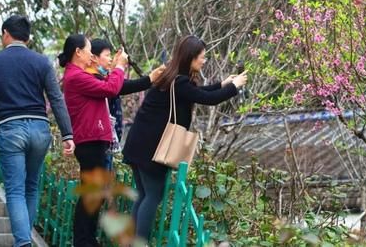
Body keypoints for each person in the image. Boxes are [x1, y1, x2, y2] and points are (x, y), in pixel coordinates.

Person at [122, 35, 248, 241]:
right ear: (190, 58)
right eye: (202, 57)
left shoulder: (171, 77)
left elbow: (196, 93)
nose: (204, 60)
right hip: (152, 148)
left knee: (144, 195)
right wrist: (234, 87)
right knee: (153, 196)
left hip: (139, 144)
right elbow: (207, 99)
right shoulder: (179, 81)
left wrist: (222, 84)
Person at [0, 15, 75, 247]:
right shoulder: (41, 62)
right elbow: (56, 99)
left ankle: (23, 243)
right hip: (40, 130)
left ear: (6, 34)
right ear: (28, 38)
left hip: (10, 129)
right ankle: (25, 240)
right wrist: (68, 134)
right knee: (31, 187)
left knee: (15, 190)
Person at [58, 34, 128, 247]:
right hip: (89, 140)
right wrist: (120, 68)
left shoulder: (78, 75)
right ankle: (83, 241)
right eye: (89, 50)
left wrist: (114, 69)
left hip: (93, 139)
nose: (91, 54)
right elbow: (110, 88)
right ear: (78, 52)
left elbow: (107, 84)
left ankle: (87, 239)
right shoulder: (76, 76)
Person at [86, 38, 165, 170]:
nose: (111, 59)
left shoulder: (103, 77)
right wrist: (120, 67)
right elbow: (119, 87)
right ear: (94, 58)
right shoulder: (92, 78)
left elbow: (117, 84)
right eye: (107, 55)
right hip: (97, 141)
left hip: (105, 140)